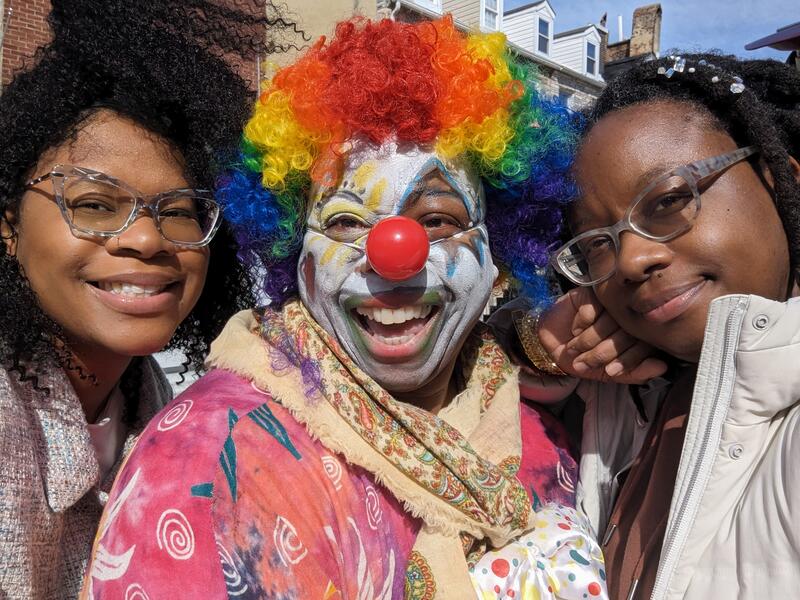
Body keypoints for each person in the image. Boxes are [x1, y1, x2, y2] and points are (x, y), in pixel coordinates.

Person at [83, 16, 611, 600]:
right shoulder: (210, 463)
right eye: (344, 221)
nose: (393, 255)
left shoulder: (545, 421)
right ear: (296, 252)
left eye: (436, 220)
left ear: (499, 258)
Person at [0, 0, 296, 597]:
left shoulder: (159, 402)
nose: (145, 238)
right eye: (92, 204)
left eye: (180, 212)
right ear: (8, 228)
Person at [513, 53, 800, 600]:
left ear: (778, 177)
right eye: (597, 243)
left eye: (668, 200)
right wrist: (534, 342)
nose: (630, 260)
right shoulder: (633, 393)